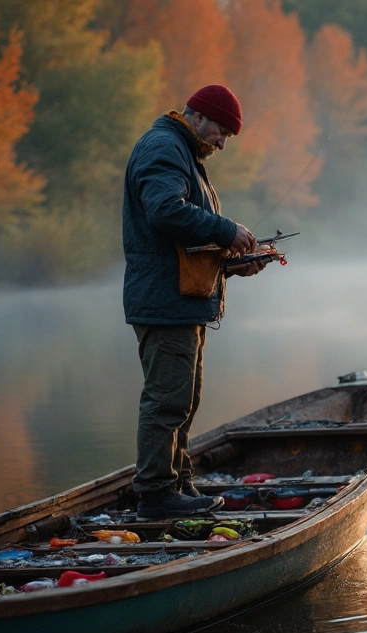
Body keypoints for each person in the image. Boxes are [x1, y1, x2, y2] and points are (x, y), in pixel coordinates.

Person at [121, 84, 263, 519]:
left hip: (180, 300)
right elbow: (164, 211)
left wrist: (230, 264)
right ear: (199, 117)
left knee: (184, 397)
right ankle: (155, 495)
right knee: (167, 399)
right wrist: (225, 230)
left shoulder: (183, 152)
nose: (222, 143)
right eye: (221, 132)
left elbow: (182, 243)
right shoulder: (165, 147)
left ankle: (178, 482)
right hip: (164, 303)